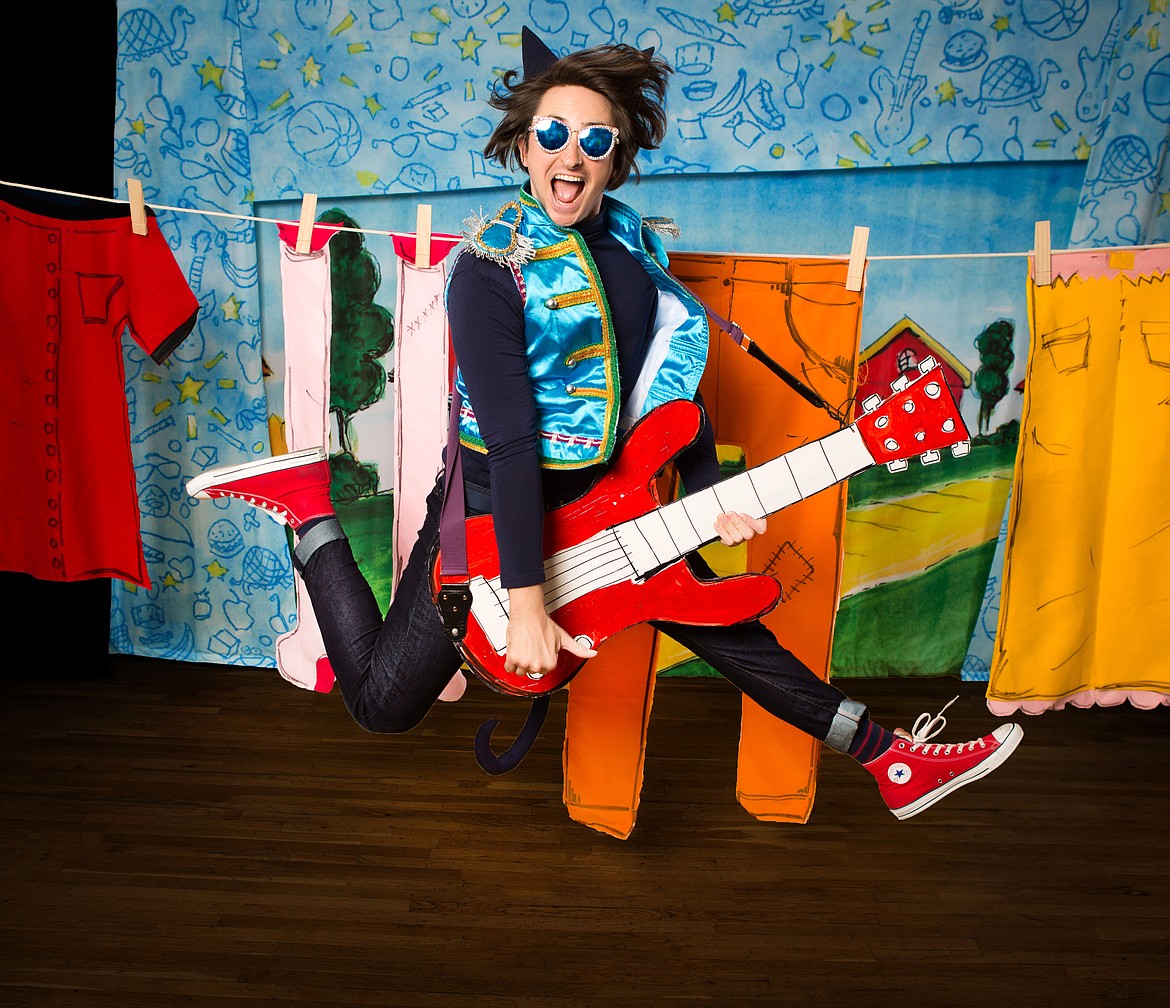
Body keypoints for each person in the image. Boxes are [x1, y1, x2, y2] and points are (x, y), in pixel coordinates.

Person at [186, 27, 1022, 821]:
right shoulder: (488, 266)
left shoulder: (635, 254)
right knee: (381, 706)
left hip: (612, 497)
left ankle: (891, 759)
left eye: (595, 140)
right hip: (490, 516)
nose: (571, 155)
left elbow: (670, 389)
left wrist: (707, 496)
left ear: (616, 158)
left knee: (728, 626)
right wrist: (526, 604)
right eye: (553, 133)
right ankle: (310, 509)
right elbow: (512, 441)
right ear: (524, 146)